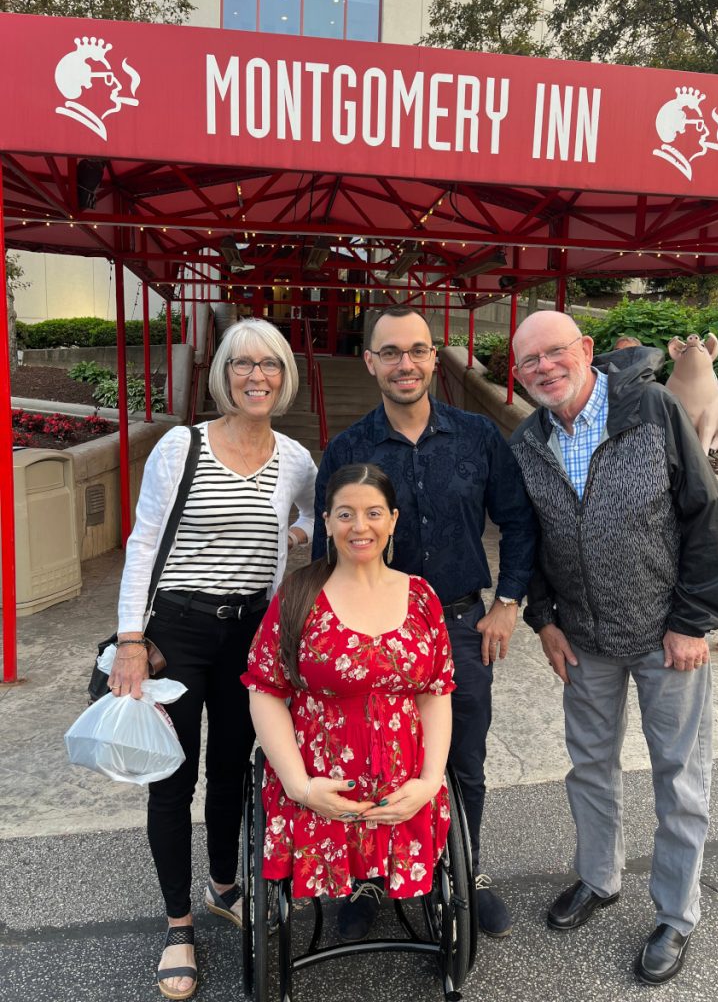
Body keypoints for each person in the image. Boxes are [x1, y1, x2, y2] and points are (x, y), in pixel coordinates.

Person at [509, 310, 718, 986]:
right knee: (590, 768)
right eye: (529, 361)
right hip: (583, 638)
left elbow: (704, 511)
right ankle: (599, 878)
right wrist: (543, 619)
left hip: (668, 636)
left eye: (554, 352)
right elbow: (528, 538)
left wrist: (693, 620)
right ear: (517, 374)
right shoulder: (527, 441)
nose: (544, 368)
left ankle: (676, 914)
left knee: (679, 778)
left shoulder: (653, 409)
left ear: (585, 349)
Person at [109, 319, 317, 1000]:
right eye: (242, 364)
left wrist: (297, 533)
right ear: (224, 374)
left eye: (270, 364)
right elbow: (144, 541)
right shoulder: (183, 445)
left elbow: (319, 514)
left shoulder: (295, 459)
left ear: (285, 375)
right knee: (173, 777)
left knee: (232, 768)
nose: (257, 376)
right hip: (177, 630)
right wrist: (131, 640)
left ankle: (224, 885)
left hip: (251, 633)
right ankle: (178, 924)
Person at [312, 306, 536, 938]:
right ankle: (369, 878)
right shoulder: (349, 448)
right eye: (390, 352)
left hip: (461, 624)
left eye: (416, 350)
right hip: (371, 632)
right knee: (370, 759)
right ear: (370, 362)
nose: (404, 363)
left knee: (462, 757)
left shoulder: (477, 436)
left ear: (435, 358)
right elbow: (328, 547)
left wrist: (508, 603)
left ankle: (464, 870)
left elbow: (518, 521)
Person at [243, 463, 454, 929]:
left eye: (373, 513)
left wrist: (429, 782)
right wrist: (299, 787)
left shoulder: (421, 596)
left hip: (404, 790)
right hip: (318, 790)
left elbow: (435, 692)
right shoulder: (298, 596)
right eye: (345, 514)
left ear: (393, 520)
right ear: (326, 522)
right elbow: (265, 689)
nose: (360, 527)